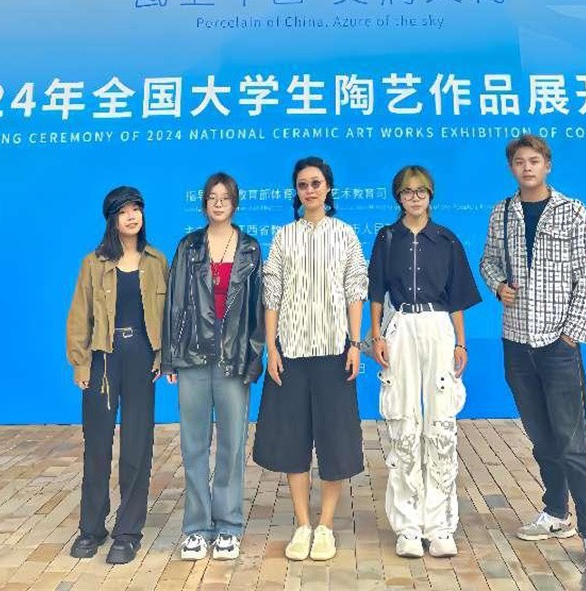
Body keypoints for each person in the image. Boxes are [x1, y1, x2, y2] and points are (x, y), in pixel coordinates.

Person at [479, 135, 586, 576]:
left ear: (547, 165)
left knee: (574, 443)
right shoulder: (502, 212)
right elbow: (488, 262)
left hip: (558, 344)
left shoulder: (573, 211)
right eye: (519, 162)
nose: (527, 168)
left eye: (534, 161)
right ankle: (556, 512)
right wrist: (499, 286)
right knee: (541, 437)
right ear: (511, 168)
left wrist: (571, 335)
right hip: (516, 342)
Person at [252, 156, 368, 562]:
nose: (310, 190)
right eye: (303, 184)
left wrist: (355, 343)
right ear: (296, 191)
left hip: (335, 353)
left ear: (328, 187)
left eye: (316, 183)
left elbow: (355, 290)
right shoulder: (284, 236)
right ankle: (303, 524)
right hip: (292, 354)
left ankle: (326, 526)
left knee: (336, 442)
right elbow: (272, 294)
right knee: (293, 441)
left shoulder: (345, 234)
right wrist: (272, 347)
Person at [368, 165, 482, 558]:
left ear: (431, 195)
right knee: (403, 421)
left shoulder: (446, 239)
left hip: (438, 327)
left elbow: (457, 298)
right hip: (401, 327)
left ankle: (440, 525)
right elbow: (376, 292)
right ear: (398, 197)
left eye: (421, 191)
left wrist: (461, 343)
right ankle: (407, 527)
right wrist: (377, 335)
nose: (414, 198)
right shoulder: (387, 238)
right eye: (407, 191)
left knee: (441, 423)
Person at [161, 172, 264, 561]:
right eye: (212, 197)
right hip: (192, 357)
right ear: (204, 203)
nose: (218, 203)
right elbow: (174, 303)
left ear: (235, 203)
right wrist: (171, 356)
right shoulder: (188, 246)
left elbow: (257, 308)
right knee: (194, 444)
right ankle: (196, 528)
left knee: (232, 445)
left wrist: (253, 358)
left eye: (225, 197)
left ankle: (229, 526)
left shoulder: (250, 248)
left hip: (233, 360)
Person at [66, 186, 167, 565]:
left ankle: (128, 532)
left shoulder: (156, 261)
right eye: (124, 211)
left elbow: (169, 315)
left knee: (137, 447)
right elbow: (79, 315)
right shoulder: (93, 263)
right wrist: (80, 363)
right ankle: (91, 528)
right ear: (112, 219)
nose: (132, 216)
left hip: (142, 359)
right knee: (97, 447)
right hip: (103, 361)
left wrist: (164, 358)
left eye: (137, 208)